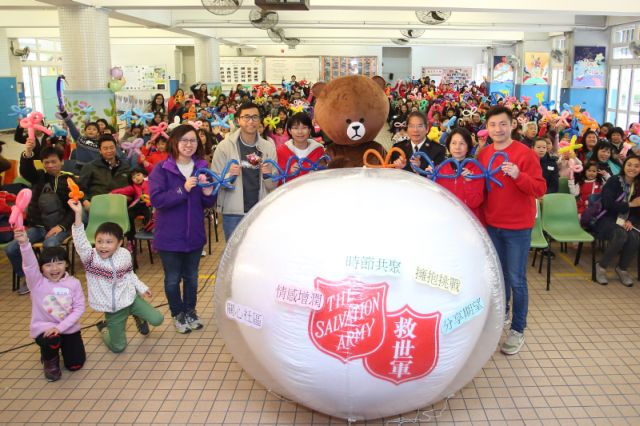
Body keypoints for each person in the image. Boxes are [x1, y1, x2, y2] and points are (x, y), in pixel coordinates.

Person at [478, 106, 546, 355]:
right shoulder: (484, 154)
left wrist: (518, 175)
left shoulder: (525, 154)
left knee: (517, 280)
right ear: (488, 127)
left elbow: (540, 189)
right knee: (499, 277)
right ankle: (502, 315)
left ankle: (518, 330)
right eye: (493, 125)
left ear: (512, 126)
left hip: (518, 228)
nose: (498, 129)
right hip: (492, 226)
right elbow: (481, 191)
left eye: (503, 124)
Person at [68, 199, 164, 352]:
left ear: (119, 243)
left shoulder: (125, 254)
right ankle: (104, 329)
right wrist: (78, 214)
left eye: (108, 242)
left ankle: (138, 316)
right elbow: (80, 241)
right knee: (118, 347)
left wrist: (142, 288)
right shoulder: (91, 258)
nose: (103, 245)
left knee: (158, 319)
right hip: (113, 310)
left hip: (131, 299)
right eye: (99, 241)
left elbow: (130, 275)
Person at [149, 124, 217, 333]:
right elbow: (157, 200)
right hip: (169, 236)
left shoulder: (203, 167)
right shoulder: (162, 169)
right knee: (172, 279)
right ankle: (177, 314)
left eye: (193, 140)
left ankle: (190, 311)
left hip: (194, 234)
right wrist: (182, 189)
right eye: (184, 140)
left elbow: (208, 203)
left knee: (192, 277)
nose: (189, 144)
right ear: (174, 143)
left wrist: (208, 192)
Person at [5, 143, 76, 295]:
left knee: (49, 244)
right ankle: (29, 278)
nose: (50, 166)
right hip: (37, 227)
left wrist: (61, 227)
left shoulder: (70, 180)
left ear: (61, 161)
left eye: (53, 162)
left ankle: (53, 281)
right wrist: (28, 152)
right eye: (46, 162)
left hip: (58, 227)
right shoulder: (39, 176)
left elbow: (73, 210)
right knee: (11, 249)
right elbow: (26, 170)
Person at [16, 230, 86, 381]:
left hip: (68, 328)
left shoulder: (74, 283)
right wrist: (24, 244)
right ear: (41, 268)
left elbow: (79, 308)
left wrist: (60, 327)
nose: (54, 269)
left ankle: (61, 347)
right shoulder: (36, 283)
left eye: (59, 263)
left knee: (75, 365)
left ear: (67, 264)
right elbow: (29, 266)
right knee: (51, 340)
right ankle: (50, 360)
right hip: (45, 328)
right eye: (48, 265)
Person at [210, 102, 277, 240]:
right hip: (233, 212)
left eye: (255, 117)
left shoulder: (268, 147)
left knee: (258, 253)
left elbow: (272, 185)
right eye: (246, 117)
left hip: (259, 210)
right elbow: (215, 181)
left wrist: (268, 175)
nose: (251, 121)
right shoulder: (224, 147)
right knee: (234, 257)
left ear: (260, 120)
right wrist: (229, 176)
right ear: (238, 120)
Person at [594, 155, 640, 287]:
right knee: (621, 235)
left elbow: (638, 210)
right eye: (629, 164)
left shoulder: (638, 185)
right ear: (624, 166)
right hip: (607, 218)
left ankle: (622, 268)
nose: (632, 168)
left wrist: (631, 220)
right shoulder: (614, 181)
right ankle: (601, 266)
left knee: (635, 236)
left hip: (625, 221)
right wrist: (630, 205)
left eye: (637, 166)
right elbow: (607, 204)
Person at [436, 128, 484, 222]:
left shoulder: (476, 168)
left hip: (470, 222)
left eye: (462, 143)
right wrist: (430, 178)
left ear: (468, 147)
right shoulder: (440, 168)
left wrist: (469, 182)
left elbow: (475, 202)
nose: (457, 147)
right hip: (447, 220)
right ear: (448, 145)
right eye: (453, 143)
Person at [79, 135, 131, 211]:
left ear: (116, 148)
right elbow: (81, 189)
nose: (109, 151)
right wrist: (85, 201)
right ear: (100, 150)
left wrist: (130, 197)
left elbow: (132, 187)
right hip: (95, 207)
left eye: (111, 147)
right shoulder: (90, 166)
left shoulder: (125, 166)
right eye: (105, 148)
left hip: (120, 206)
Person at [275, 112, 326, 185]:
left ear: (309, 130)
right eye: (295, 128)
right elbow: (276, 180)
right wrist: (289, 173)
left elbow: (324, 176)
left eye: (304, 128)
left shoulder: (318, 150)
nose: (300, 132)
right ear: (289, 131)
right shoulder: (281, 151)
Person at [111, 168, 152, 243]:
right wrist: (112, 193)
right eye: (133, 177)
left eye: (138, 175)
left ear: (144, 175)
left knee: (150, 214)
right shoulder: (133, 187)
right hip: (139, 205)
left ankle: (151, 236)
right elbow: (123, 190)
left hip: (149, 205)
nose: (136, 178)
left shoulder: (150, 182)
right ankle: (131, 239)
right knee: (128, 214)